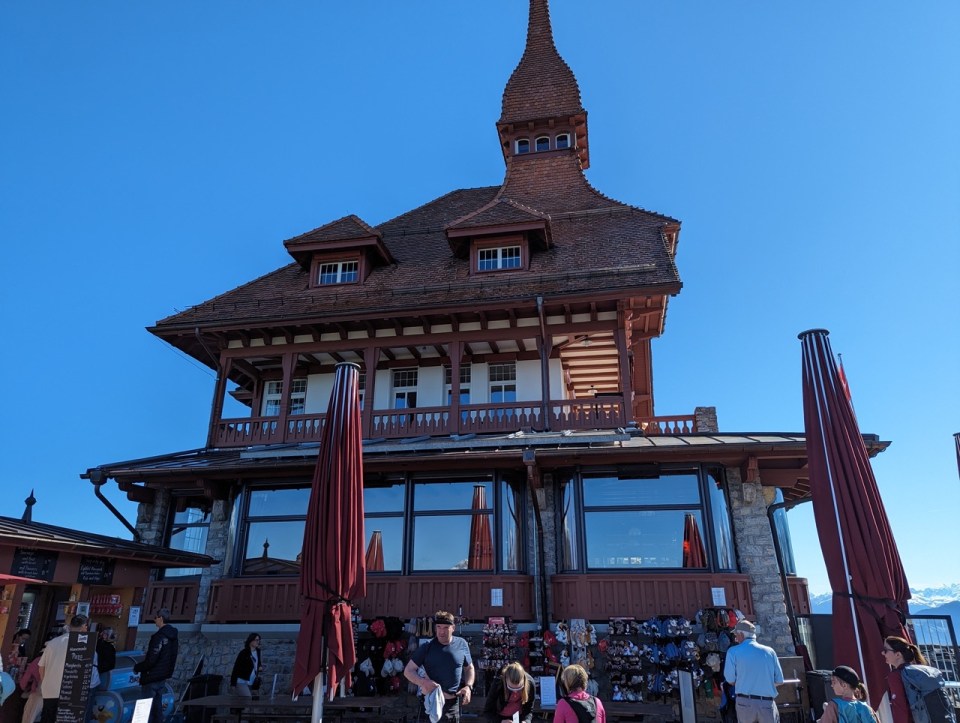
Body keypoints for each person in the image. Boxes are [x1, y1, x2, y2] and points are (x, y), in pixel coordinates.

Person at [403, 610, 475, 723]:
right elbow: (408, 671)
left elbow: (469, 668)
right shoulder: (427, 646)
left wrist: (468, 686)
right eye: (439, 627)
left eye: (446, 627)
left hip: (452, 704)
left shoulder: (462, 644)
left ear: (453, 628)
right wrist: (423, 682)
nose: (441, 631)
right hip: (431, 702)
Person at [723, 620, 784, 723]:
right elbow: (779, 680)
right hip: (767, 703)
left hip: (745, 703)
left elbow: (730, 680)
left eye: (736, 635)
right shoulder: (770, 651)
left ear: (741, 634)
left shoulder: (733, 652)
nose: (736, 638)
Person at [38, 615, 91, 723]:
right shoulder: (84, 645)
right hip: (71, 692)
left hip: (50, 690)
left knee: (47, 718)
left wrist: (45, 683)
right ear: (84, 627)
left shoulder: (53, 642)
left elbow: (41, 667)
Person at [133, 608, 178, 723]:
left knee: (143, 710)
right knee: (157, 708)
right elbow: (173, 656)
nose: (154, 620)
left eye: (156, 617)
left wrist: (138, 667)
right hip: (162, 675)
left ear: (161, 618)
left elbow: (151, 659)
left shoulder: (159, 636)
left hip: (151, 676)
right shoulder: (173, 636)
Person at [229, 633, 263, 697]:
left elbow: (258, 662)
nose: (258, 642)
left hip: (252, 682)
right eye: (256, 640)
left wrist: (260, 667)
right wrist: (233, 684)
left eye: (259, 640)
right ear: (251, 641)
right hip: (242, 681)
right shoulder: (244, 653)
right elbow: (236, 668)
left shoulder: (258, 651)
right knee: (248, 699)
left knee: (250, 702)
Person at [18, 645, 45, 723]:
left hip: (36, 694)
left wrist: (23, 688)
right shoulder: (55, 663)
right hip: (50, 697)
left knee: (28, 719)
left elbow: (25, 679)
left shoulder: (38, 660)